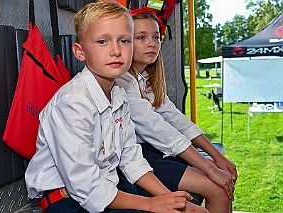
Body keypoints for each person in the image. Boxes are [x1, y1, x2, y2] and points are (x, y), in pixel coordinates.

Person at [25, 2, 209, 213]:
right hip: (67, 200)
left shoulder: (118, 95)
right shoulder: (73, 102)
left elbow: (131, 159)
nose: (115, 51)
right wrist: (151, 204)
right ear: (80, 51)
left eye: (124, 41)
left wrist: (167, 198)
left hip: (110, 185)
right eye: (103, 41)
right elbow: (88, 189)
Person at [116, 7, 238, 213]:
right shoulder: (121, 82)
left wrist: (217, 157)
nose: (151, 43)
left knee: (222, 185)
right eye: (141, 37)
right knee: (217, 189)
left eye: (155, 37)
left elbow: (175, 118)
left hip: (153, 151)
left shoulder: (144, 78)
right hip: (136, 157)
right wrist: (210, 167)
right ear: (125, 43)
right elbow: (156, 128)